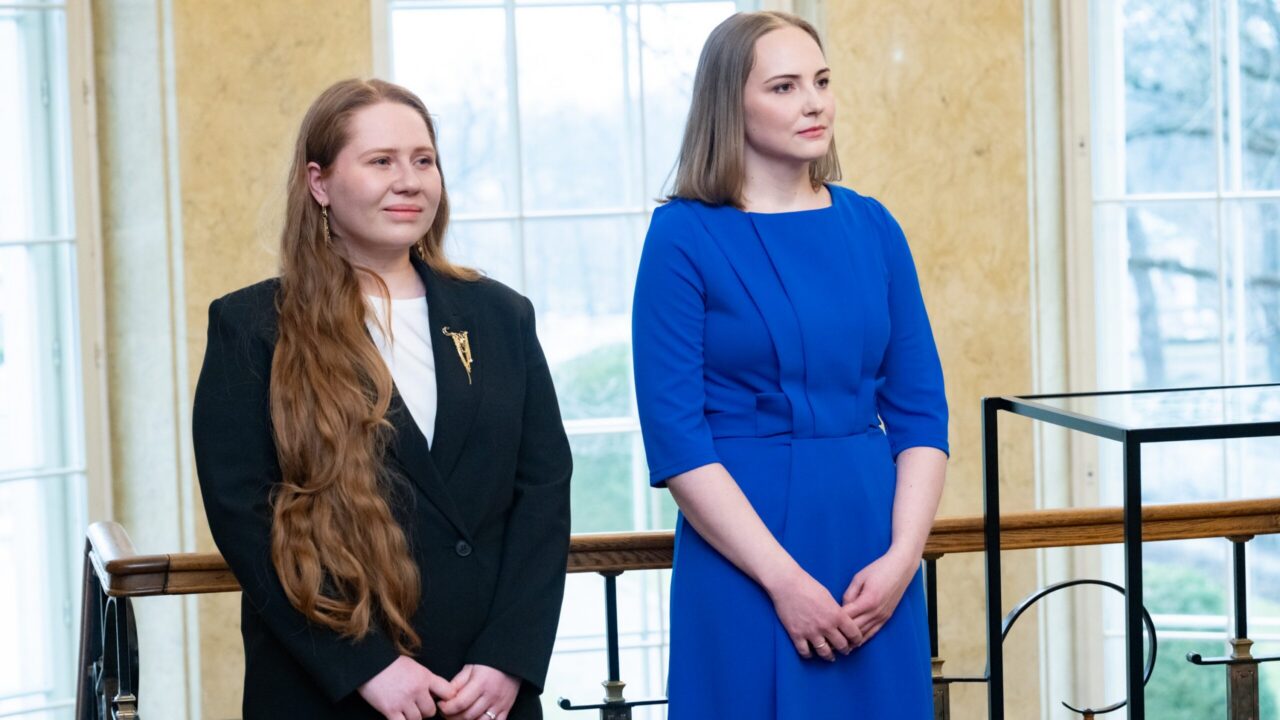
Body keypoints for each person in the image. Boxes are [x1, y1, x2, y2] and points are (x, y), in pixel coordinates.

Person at [192, 78, 572, 720]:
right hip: (331, 686)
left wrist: (510, 657)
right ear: (320, 183)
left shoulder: (501, 314)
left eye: (424, 160)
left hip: (482, 693)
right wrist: (366, 667)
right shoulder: (253, 326)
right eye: (381, 162)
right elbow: (246, 520)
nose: (410, 181)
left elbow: (543, 495)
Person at [632, 11, 949, 719]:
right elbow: (678, 441)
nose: (814, 103)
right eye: (784, 86)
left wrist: (902, 561)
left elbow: (922, 413)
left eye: (822, 81)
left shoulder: (873, 226)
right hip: (745, 559)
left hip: (873, 547)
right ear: (729, 104)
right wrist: (783, 581)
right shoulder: (681, 237)